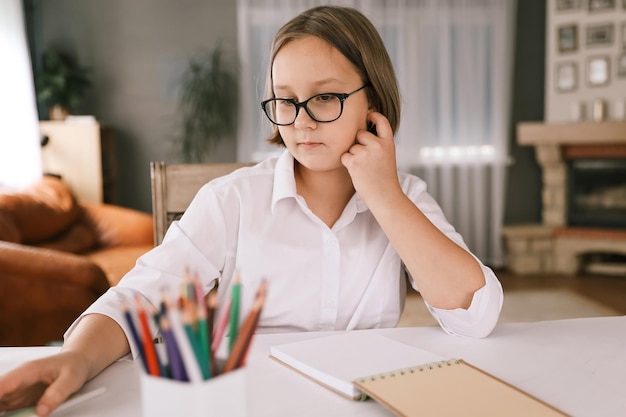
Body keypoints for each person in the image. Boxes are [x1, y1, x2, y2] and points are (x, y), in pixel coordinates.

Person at [0, 5, 503, 416]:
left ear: (374, 100)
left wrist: (385, 197)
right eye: (285, 101)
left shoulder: (405, 196)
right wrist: (75, 359)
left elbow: (474, 317)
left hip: (366, 401)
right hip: (255, 402)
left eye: (325, 97)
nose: (301, 122)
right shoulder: (233, 199)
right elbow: (139, 298)